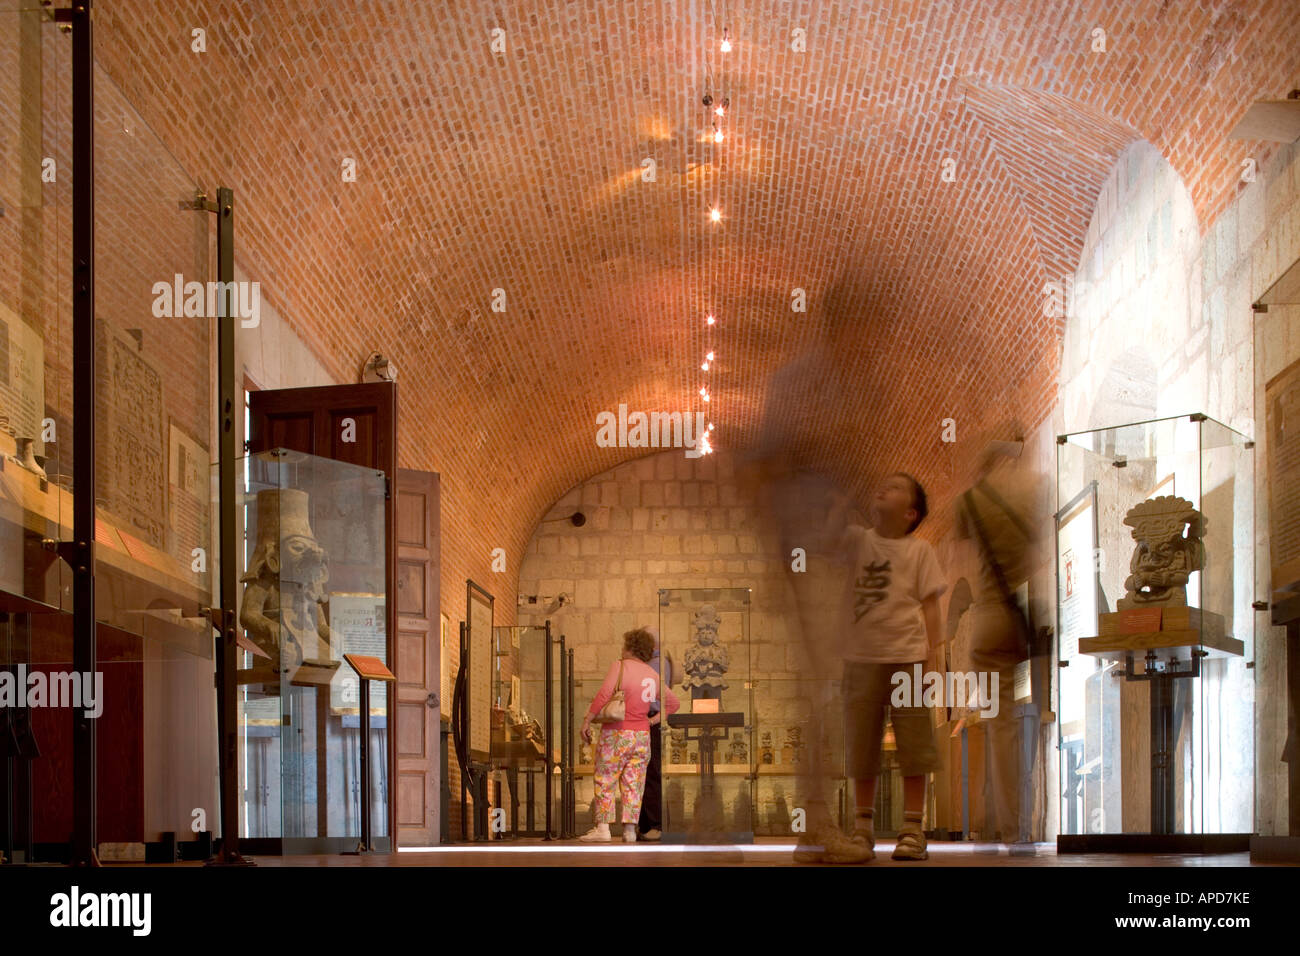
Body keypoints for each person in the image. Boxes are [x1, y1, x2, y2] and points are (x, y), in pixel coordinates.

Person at [837, 472, 946, 862]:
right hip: (860, 659)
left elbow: (932, 606)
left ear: (911, 513)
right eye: (884, 484)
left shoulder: (920, 552)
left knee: (915, 745)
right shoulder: (858, 539)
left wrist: (937, 658)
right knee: (862, 746)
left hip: (908, 658)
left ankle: (913, 829)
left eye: (897, 487)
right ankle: (862, 829)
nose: (884, 487)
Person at [579, 627, 681, 843]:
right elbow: (673, 703)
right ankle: (629, 830)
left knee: (605, 779)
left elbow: (605, 693)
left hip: (616, 734)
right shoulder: (653, 674)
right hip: (642, 737)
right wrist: (651, 720)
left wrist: (588, 719)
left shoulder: (620, 666)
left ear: (629, 647)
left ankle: (603, 828)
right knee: (634, 783)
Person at [637, 626, 676, 841]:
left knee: (651, 774)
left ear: (651, 644)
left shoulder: (655, 664)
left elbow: (653, 698)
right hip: (650, 721)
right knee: (646, 773)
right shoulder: (657, 663)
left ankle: (655, 824)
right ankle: (647, 825)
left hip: (650, 721)